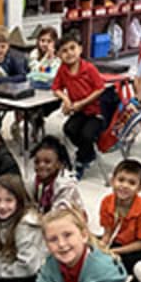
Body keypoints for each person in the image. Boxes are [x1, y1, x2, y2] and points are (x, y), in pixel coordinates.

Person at [52, 33, 107, 179]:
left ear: (80, 49)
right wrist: (66, 100)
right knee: (68, 129)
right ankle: (88, 153)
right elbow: (56, 88)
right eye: (64, 51)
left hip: (96, 112)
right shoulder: (63, 70)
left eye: (72, 48)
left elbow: (100, 88)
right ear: (58, 55)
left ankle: (81, 160)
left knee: (86, 134)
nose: (69, 53)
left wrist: (82, 103)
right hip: (79, 112)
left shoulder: (89, 68)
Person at [0, 174, 47, 282]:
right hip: (5, 269)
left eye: (9, 200)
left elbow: (28, 266)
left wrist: (1, 271)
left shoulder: (26, 225)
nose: (2, 206)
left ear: (19, 201)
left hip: (27, 279)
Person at [99, 159, 141, 276]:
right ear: (112, 181)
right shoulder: (107, 201)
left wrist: (113, 251)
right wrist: (102, 247)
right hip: (117, 242)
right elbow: (107, 233)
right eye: (121, 180)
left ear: (140, 188)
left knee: (134, 267)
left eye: (132, 183)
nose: (124, 186)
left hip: (136, 249)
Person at [28, 135, 84, 214]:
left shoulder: (67, 186)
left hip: (66, 221)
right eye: (37, 162)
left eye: (47, 162)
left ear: (60, 164)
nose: (41, 165)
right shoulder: (33, 182)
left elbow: (59, 215)